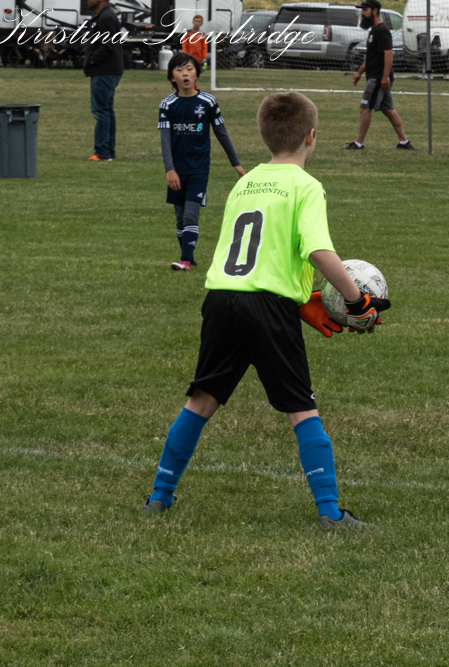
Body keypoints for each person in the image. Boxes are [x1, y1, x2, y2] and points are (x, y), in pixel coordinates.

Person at [142, 91, 391, 528]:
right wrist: (356, 300)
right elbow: (319, 251)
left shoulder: (246, 182)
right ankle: (330, 513)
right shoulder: (306, 186)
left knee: (201, 401)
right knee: (301, 409)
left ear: (264, 137)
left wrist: (300, 300)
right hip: (267, 308)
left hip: (222, 298)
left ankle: (159, 497)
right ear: (311, 136)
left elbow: (254, 254)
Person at [158, 52, 246, 271]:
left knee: (190, 213)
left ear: (196, 74)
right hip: (177, 170)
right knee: (180, 217)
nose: (185, 74)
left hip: (199, 168)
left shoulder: (208, 102)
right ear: (172, 77)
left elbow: (221, 133)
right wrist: (170, 169)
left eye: (189, 69)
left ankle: (185, 261)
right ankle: (189, 257)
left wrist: (235, 163)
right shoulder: (167, 105)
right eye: (179, 70)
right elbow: (165, 140)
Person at [345, 0, 413, 150]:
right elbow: (371, 57)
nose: (362, 13)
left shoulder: (382, 31)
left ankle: (358, 143)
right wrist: (359, 73)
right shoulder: (374, 31)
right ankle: (404, 142)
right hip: (375, 76)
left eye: (365, 10)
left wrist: (385, 76)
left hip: (378, 77)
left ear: (374, 11)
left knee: (365, 108)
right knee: (388, 110)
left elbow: (388, 54)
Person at [82, 0, 124, 162]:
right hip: (106, 70)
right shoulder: (102, 16)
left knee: (101, 111)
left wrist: (92, 60)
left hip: (104, 70)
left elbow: (108, 45)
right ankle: (108, 151)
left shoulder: (106, 17)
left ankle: (102, 152)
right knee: (106, 110)